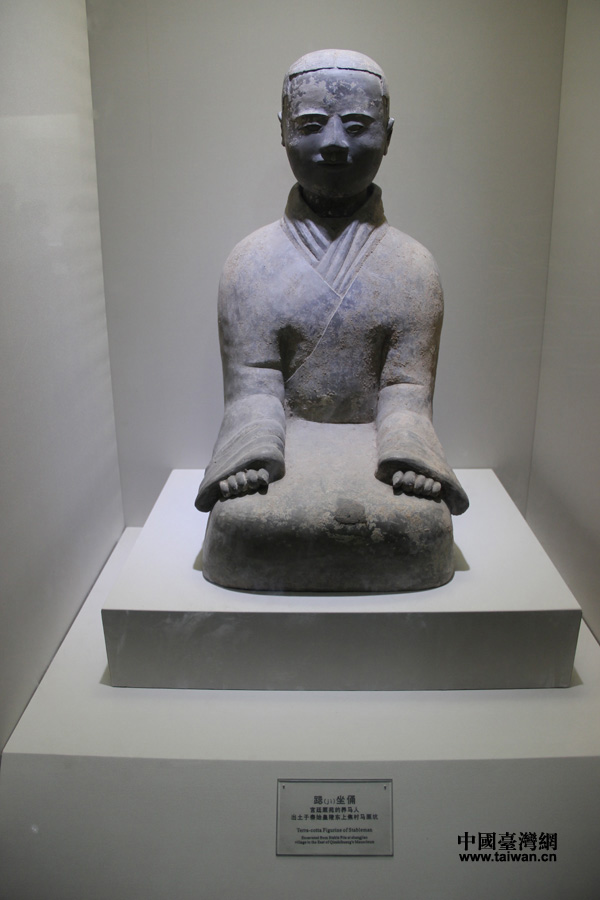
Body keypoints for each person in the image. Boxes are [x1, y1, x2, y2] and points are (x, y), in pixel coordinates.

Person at [195, 50, 468, 592]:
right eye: (312, 125)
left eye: (359, 126)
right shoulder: (251, 263)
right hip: (281, 448)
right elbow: (253, 385)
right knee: (243, 524)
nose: (337, 142)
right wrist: (252, 450)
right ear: (283, 131)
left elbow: (406, 388)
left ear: (388, 135)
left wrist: (408, 450)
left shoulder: (413, 266)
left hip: (378, 446)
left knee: (418, 526)